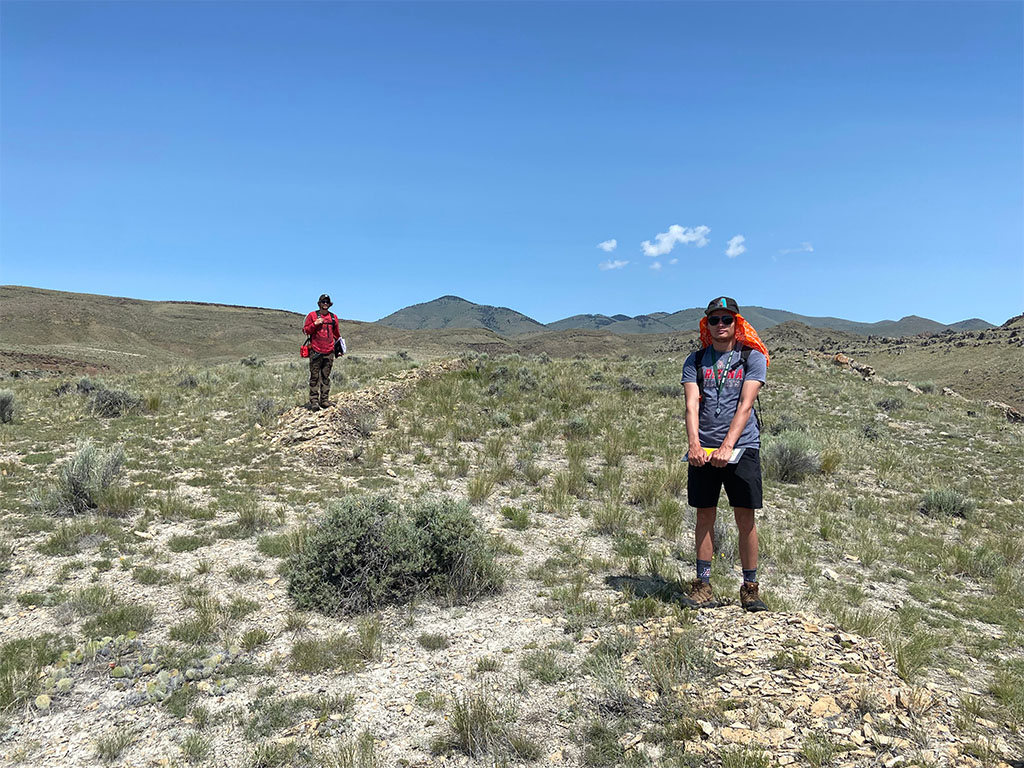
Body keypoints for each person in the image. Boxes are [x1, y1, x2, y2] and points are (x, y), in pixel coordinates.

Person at [680, 296, 770, 612]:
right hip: (703, 449)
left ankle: (750, 587)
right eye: (715, 320)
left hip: (742, 447)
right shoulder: (695, 360)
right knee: (704, 514)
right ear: (707, 324)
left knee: (745, 517)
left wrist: (728, 446)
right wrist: (694, 444)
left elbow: (746, 404)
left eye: (727, 319)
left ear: (737, 323)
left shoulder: (752, 357)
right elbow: (692, 404)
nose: (721, 325)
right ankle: (702, 585)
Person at [303, 294, 341, 411]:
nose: (325, 304)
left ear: (329, 304)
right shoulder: (312, 316)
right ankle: (314, 401)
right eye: (323, 302)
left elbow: (337, 335)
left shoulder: (333, 318)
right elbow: (305, 330)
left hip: (329, 351)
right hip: (316, 350)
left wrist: (339, 350)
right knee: (315, 377)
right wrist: (315, 324)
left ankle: (324, 400)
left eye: (327, 302)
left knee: (325, 377)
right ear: (319, 303)